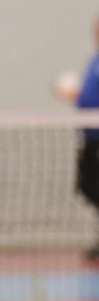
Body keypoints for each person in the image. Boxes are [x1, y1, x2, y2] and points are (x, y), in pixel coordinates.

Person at [55, 16, 99, 261]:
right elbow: (88, 98)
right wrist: (76, 95)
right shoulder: (94, 61)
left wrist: (78, 97)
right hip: (90, 138)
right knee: (88, 186)